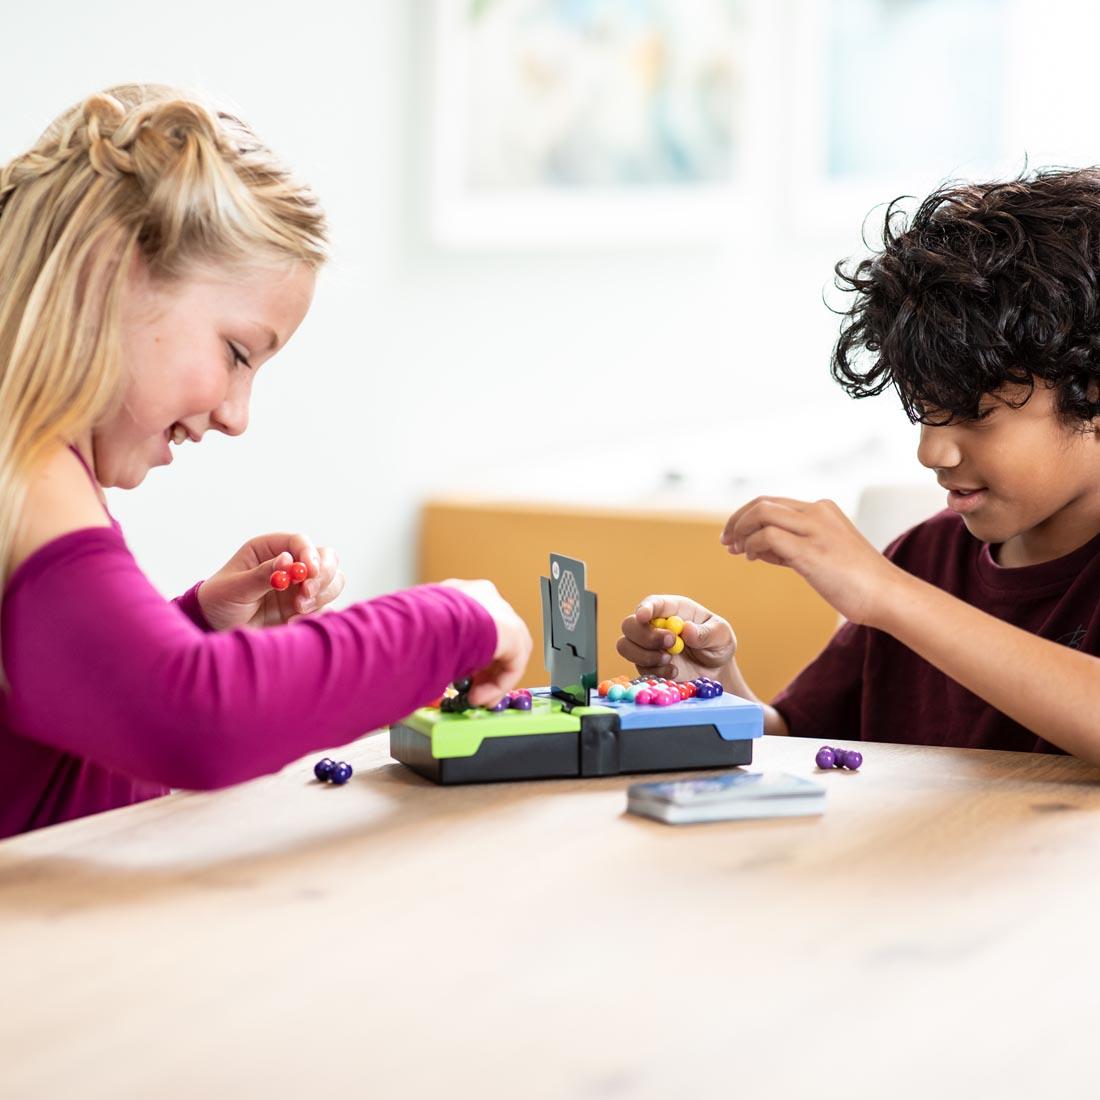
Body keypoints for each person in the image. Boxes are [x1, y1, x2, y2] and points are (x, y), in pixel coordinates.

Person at [0, 84, 532, 838]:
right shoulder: (26, 464)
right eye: (237, 353)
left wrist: (197, 628)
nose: (236, 415)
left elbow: (48, 768)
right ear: (110, 270)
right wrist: (456, 617)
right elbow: (190, 719)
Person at [618, 170, 1100, 764]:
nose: (933, 452)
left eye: (975, 415)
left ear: (1089, 390)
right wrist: (707, 692)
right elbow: (801, 741)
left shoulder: (898, 586)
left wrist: (888, 594)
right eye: (925, 411)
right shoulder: (924, 558)